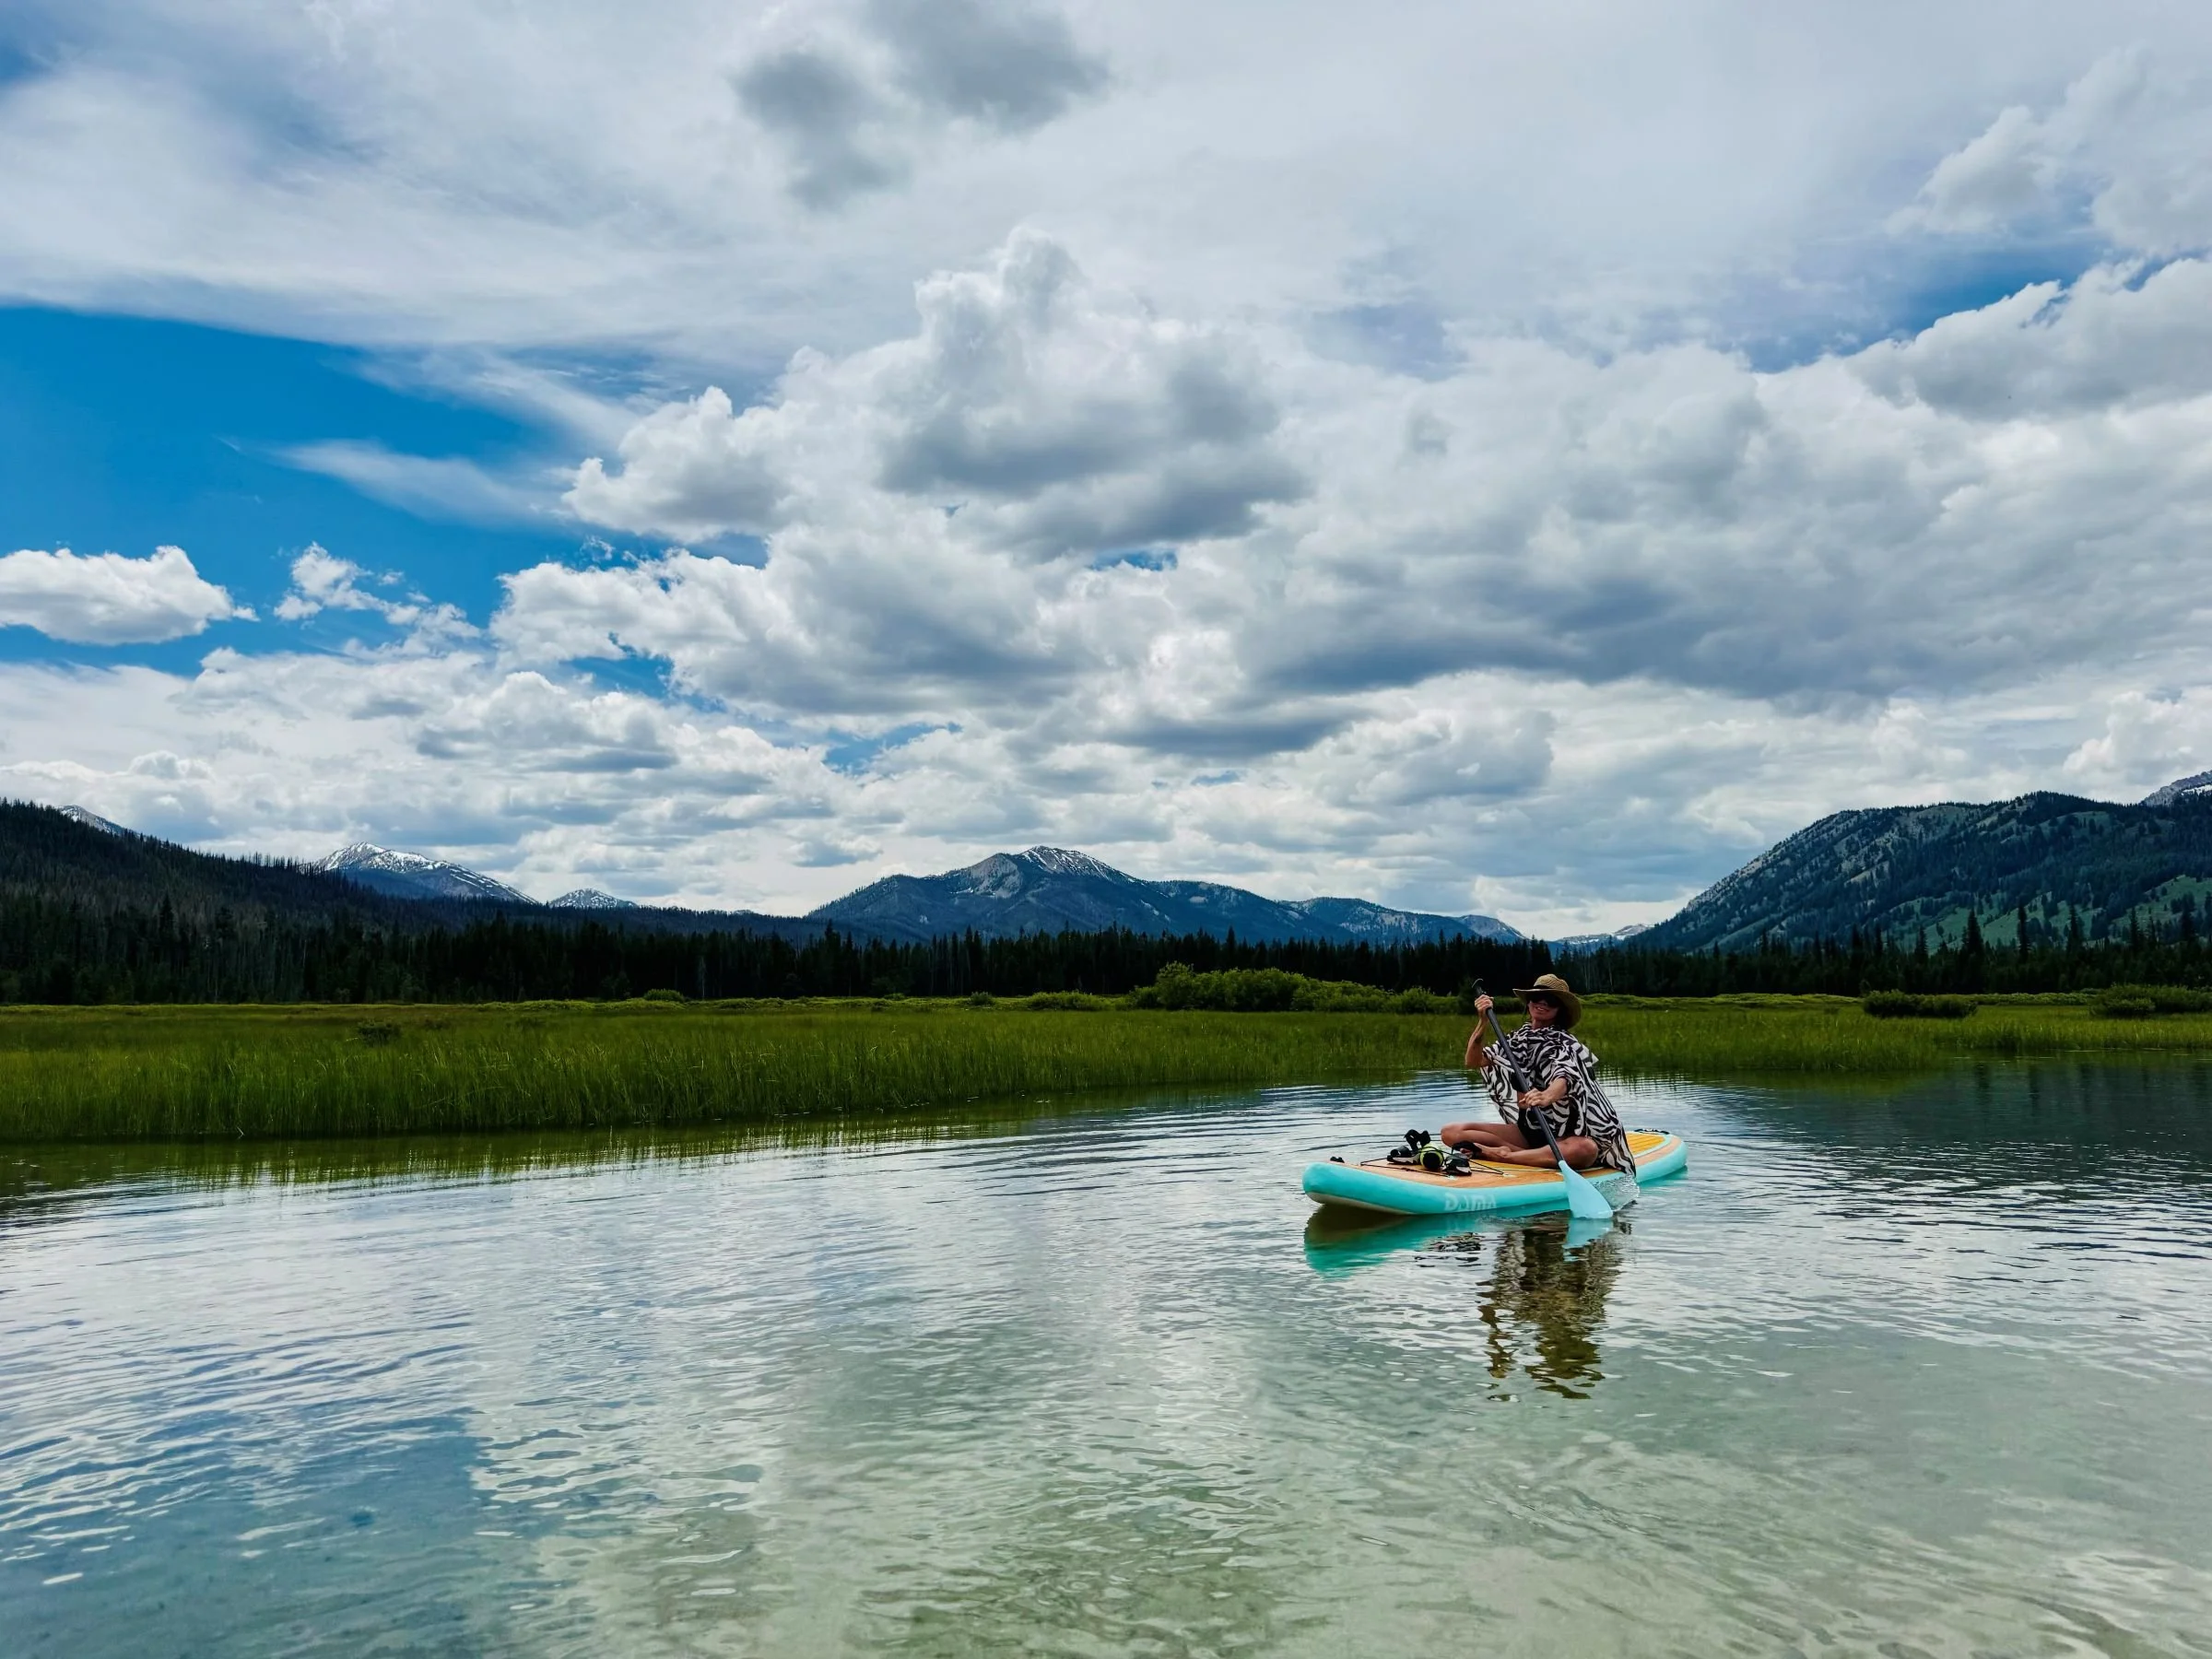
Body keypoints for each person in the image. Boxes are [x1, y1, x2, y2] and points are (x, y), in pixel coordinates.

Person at [1439, 973, 1638, 1174]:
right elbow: (1473, 1060)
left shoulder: (1565, 1043)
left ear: (1560, 1009)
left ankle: (1504, 1155)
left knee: (1585, 1150)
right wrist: (1483, 1022)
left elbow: (1565, 1076)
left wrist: (1546, 1096)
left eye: (1551, 1000)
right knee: (1451, 1133)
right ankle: (1526, 1154)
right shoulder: (1516, 1040)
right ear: (1529, 1002)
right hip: (1530, 1131)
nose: (1542, 1003)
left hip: (1566, 1136)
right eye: (1536, 997)